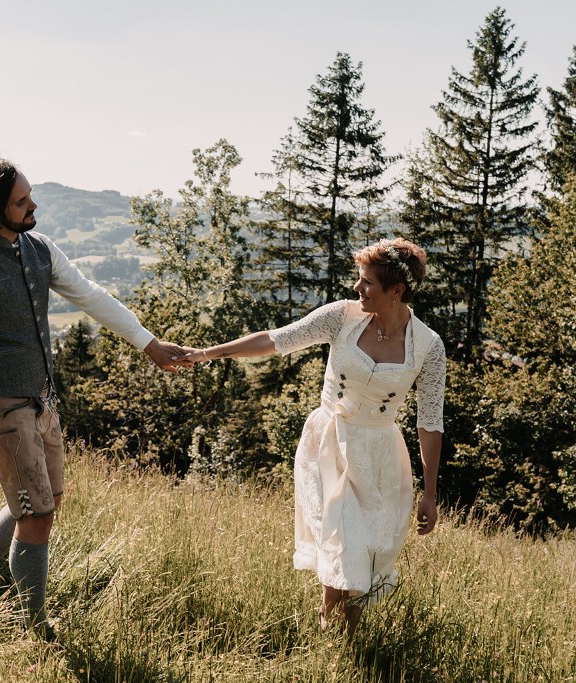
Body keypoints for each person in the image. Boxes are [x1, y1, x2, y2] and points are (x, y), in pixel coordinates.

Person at [0, 154, 189, 639]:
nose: (33, 206)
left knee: (48, 498)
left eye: (30, 196)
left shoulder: (38, 248)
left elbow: (90, 295)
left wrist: (149, 344)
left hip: (41, 397)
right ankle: (33, 626)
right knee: (38, 513)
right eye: (21, 201)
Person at [180, 237, 446, 634]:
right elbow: (275, 339)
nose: (358, 289)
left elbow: (430, 421)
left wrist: (429, 493)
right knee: (342, 541)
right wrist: (206, 353)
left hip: (379, 456)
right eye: (358, 280)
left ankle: (346, 640)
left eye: (368, 282)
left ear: (398, 290)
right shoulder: (341, 316)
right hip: (328, 446)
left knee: (368, 554)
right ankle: (328, 626)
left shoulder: (429, 346)